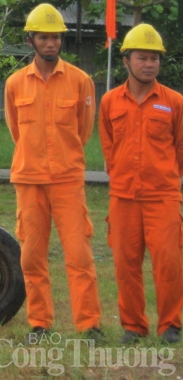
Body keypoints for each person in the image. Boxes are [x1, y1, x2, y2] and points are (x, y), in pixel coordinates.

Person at [4, 3, 101, 338]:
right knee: (32, 255)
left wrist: (62, 157)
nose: (51, 44)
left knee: (78, 254)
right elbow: (17, 131)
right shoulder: (15, 83)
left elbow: (84, 130)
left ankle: (89, 324)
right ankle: (40, 323)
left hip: (67, 179)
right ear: (31, 40)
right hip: (28, 180)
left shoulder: (80, 81)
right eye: (44, 37)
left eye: (56, 38)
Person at [99, 24, 183, 345]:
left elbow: (181, 148)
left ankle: (170, 325)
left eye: (154, 59)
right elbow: (108, 147)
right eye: (142, 58)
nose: (149, 64)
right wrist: (122, 175)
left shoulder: (174, 102)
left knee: (169, 264)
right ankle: (133, 326)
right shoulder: (109, 102)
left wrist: (165, 178)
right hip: (123, 197)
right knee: (125, 264)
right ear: (126, 61)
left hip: (163, 196)